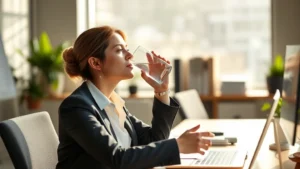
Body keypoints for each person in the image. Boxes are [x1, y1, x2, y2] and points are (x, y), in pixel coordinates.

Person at [56, 25, 214, 169]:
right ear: (96, 63)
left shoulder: (114, 103)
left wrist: (161, 90)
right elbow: (117, 159)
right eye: (119, 50)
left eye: (127, 49)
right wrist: (178, 146)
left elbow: (155, 140)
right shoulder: (76, 107)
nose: (130, 55)